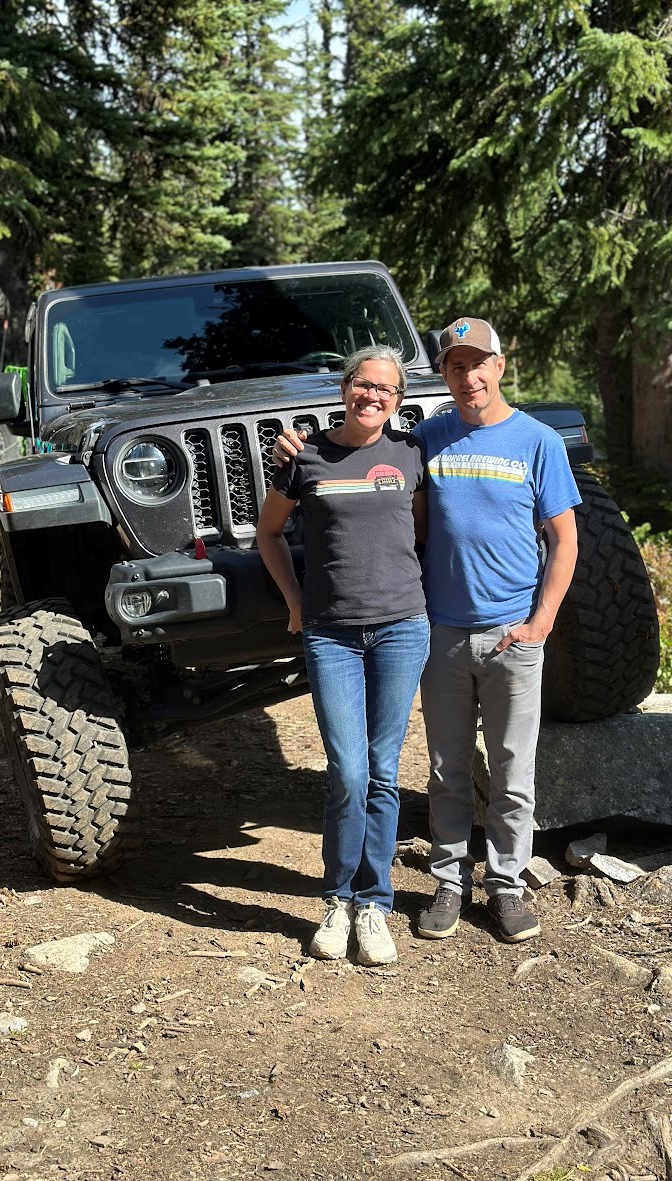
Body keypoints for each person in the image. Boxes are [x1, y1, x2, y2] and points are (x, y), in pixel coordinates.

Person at [273, 318, 580, 945]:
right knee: (443, 767)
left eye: (478, 364)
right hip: (437, 630)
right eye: (454, 366)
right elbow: (374, 499)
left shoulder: (538, 441)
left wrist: (542, 621)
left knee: (514, 766)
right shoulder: (427, 440)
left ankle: (507, 884)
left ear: (499, 365)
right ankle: (447, 880)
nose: (468, 376)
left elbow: (565, 538)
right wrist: (294, 451)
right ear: (441, 375)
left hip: (512, 633)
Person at [256, 345, 429, 966]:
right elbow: (268, 534)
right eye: (364, 385)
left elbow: (425, 528)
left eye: (387, 389)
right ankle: (338, 899)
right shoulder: (305, 458)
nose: (373, 396)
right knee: (348, 771)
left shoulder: (411, 454)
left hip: (403, 628)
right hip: (330, 633)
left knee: (383, 771)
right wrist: (295, 601)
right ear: (345, 388)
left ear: (398, 400)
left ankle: (375, 904)